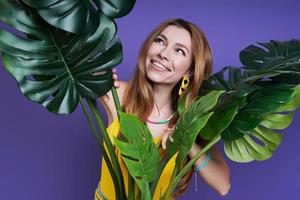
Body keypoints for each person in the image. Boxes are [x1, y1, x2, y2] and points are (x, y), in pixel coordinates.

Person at [94, 18, 231, 200]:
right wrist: (95, 74)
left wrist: (185, 140)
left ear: (190, 70)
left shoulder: (191, 119)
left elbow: (223, 186)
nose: (164, 53)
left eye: (179, 51)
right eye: (160, 41)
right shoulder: (118, 95)